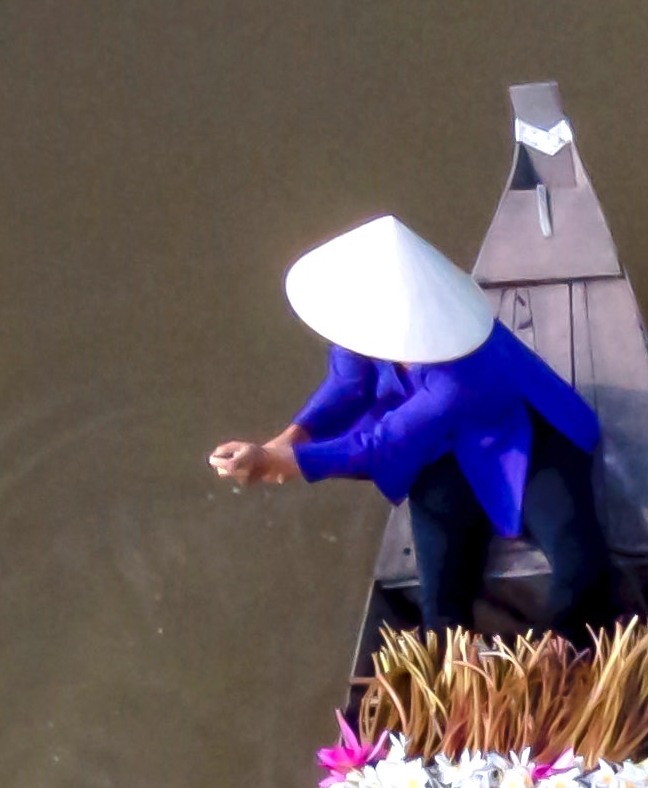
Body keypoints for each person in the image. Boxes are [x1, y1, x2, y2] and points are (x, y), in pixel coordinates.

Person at [202, 213, 600, 632]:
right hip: (440, 449)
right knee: (441, 603)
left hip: (518, 435)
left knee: (580, 566)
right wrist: (284, 442)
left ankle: (564, 659)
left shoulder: (460, 373)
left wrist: (282, 463)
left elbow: (384, 444)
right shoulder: (362, 322)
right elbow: (347, 387)